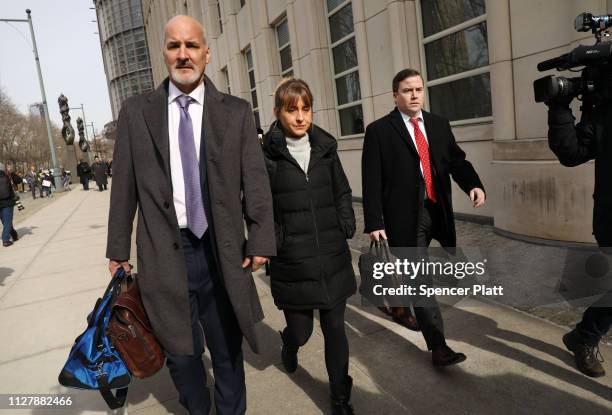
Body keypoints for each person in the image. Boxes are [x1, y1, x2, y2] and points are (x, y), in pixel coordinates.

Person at [106, 15, 275, 415]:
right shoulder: (136, 113)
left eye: (192, 46)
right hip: (165, 254)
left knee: (227, 349)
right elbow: (124, 186)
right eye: (174, 46)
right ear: (164, 52)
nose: (184, 54)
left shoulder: (235, 112)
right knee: (181, 355)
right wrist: (117, 248)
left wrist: (262, 238)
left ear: (206, 52)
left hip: (221, 253)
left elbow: (255, 181)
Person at [362, 68, 486, 367]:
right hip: (404, 216)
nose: (415, 94)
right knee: (419, 277)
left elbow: (456, 160)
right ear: (396, 95)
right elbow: (372, 179)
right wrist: (374, 222)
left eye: (418, 89)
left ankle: (401, 307)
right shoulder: (380, 130)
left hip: (437, 210)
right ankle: (438, 346)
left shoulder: (438, 124)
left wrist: (473, 184)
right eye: (407, 90)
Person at [262, 78, 357, 415]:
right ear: (278, 113)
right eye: (292, 110)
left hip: (332, 256)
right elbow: (259, 206)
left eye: (306, 109)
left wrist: (346, 220)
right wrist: (273, 241)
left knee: (335, 329)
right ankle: (289, 343)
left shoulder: (326, 149)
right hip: (294, 261)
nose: (301, 117)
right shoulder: (266, 156)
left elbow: (342, 191)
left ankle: (340, 398)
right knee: (302, 332)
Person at [547, 93, 612, 378]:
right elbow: (572, 152)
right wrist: (559, 106)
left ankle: (583, 336)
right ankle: (584, 337)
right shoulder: (606, 112)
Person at [0, 163, 17, 247]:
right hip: (8, 202)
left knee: (5, 221)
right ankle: (5, 239)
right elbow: (19, 180)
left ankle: (13, 234)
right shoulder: (8, 175)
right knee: (7, 221)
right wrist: (11, 172)